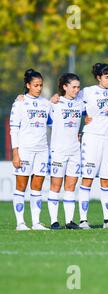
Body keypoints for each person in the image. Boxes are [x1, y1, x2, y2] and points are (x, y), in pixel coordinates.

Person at [77, 63, 108, 229]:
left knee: (107, 181)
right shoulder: (87, 92)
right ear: (98, 77)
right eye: (106, 77)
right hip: (92, 138)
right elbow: (72, 102)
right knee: (87, 178)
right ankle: (83, 220)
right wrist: (83, 117)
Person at [10, 69, 51, 230]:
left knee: (38, 187)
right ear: (28, 85)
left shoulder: (46, 103)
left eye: (41, 85)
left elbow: (53, 122)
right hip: (25, 150)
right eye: (36, 85)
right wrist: (15, 152)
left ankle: (36, 222)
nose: (39, 88)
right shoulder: (20, 103)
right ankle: (20, 222)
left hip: (42, 150)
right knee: (21, 186)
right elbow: (13, 128)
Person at [47, 73, 85, 230]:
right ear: (64, 87)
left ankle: (70, 221)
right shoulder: (55, 104)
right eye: (74, 87)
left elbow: (91, 115)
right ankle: (54, 221)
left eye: (78, 87)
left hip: (75, 151)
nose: (77, 90)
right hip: (59, 151)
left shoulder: (81, 104)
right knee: (55, 186)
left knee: (71, 186)